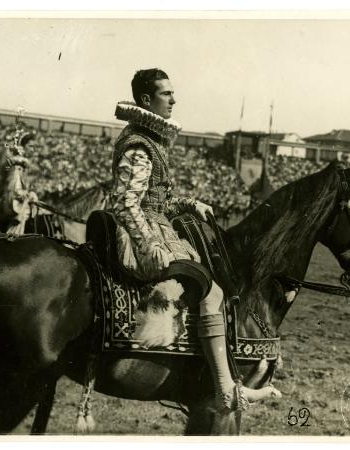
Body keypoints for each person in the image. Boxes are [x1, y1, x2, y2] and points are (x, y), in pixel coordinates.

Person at [111, 68, 274, 418]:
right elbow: (126, 202)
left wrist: (188, 204)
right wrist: (148, 244)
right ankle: (224, 389)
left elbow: (154, 200)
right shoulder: (140, 143)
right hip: (142, 235)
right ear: (145, 100)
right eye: (166, 93)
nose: (173, 99)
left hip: (155, 227)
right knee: (212, 292)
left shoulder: (148, 139)